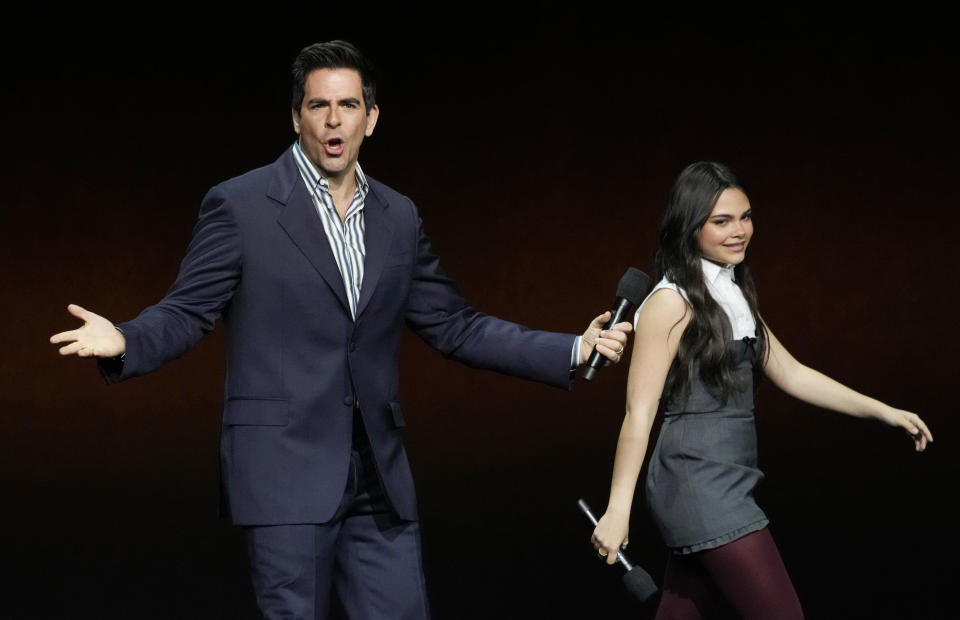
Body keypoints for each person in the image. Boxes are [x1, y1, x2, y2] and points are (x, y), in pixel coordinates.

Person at [49, 40, 632, 620]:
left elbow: (455, 324)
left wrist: (574, 349)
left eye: (348, 105)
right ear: (296, 115)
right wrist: (127, 339)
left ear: (370, 118)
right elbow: (188, 310)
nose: (334, 120)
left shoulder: (397, 215)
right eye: (319, 105)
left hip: (377, 475)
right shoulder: (241, 205)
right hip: (284, 469)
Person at [590, 161, 932, 619]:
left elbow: (791, 373)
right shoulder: (671, 302)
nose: (739, 231)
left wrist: (883, 410)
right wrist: (617, 510)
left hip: (726, 477)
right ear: (689, 226)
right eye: (721, 221)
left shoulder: (730, 292)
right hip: (697, 481)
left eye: (745, 216)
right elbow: (639, 414)